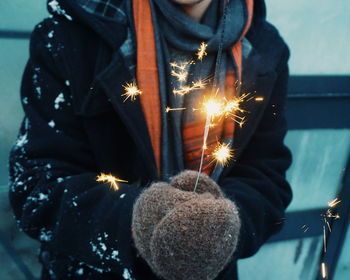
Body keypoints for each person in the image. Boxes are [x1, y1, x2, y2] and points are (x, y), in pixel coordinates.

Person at [8, 0, 292, 279]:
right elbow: (37, 185)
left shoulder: (265, 48)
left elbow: (266, 176)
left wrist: (222, 230)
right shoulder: (70, 35)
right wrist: (136, 219)